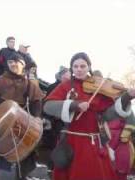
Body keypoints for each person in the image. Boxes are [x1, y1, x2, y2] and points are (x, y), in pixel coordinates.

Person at [43, 52, 135, 180]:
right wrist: (74, 105)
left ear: (89, 67)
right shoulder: (65, 86)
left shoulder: (99, 87)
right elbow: (48, 106)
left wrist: (127, 97)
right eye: (75, 66)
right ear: (72, 68)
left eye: (83, 66)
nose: (79, 69)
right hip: (71, 141)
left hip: (94, 142)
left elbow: (109, 115)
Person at [0, 53, 44, 180]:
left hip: (22, 122)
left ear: (23, 65)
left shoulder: (30, 84)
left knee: (24, 153)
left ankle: (21, 177)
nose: (13, 64)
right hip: (1, 120)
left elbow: (36, 102)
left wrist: (36, 116)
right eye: (10, 62)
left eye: (16, 62)